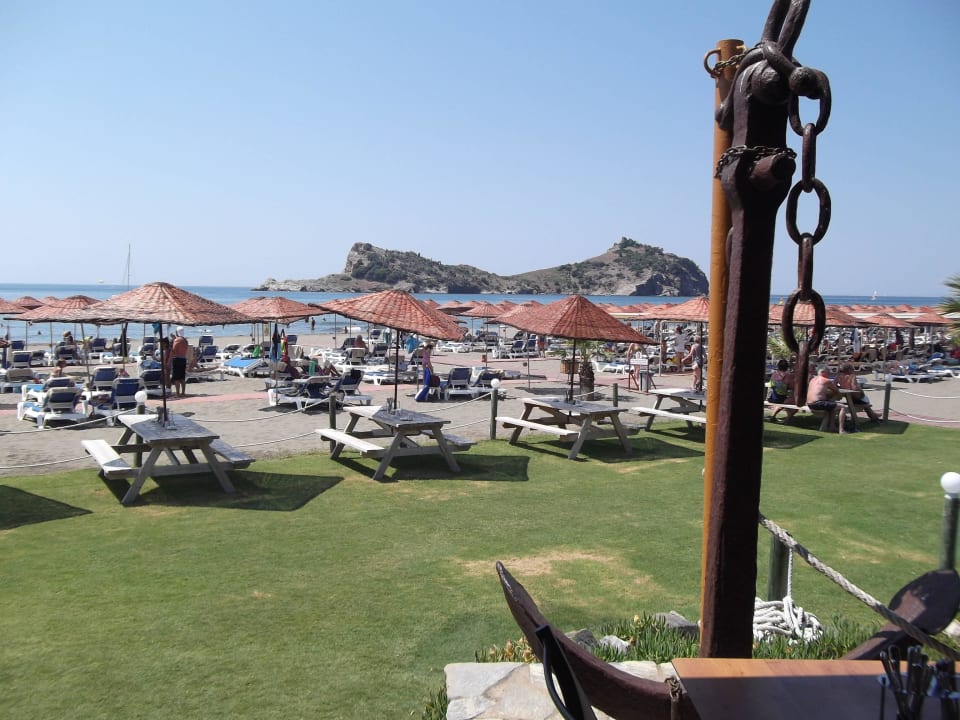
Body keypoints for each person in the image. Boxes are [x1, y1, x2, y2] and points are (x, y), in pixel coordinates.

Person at [806, 365, 848, 433]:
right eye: (828, 372)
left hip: (810, 404)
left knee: (832, 406)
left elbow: (818, 392)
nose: (829, 374)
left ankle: (832, 427)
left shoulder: (812, 380)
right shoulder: (826, 380)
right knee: (843, 407)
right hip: (818, 404)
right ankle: (841, 430)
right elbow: (836, 390)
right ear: (823, 372)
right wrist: (839, 396)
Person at [767, 359, 796, 423]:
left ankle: (773, 417)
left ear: (778, 366)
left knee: (785, 401)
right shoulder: (788, 376)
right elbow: (792, 387)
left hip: (771, 398)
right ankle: (787, 420)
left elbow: (770, 385)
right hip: (780, 398)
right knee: (795, 403)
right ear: (787, 367)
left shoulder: (774, 374)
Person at [169, 327, 190, 398]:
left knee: (176, 378)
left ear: (177, 332)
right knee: (182, 378)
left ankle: (177, 393)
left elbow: (174, 350)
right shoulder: (185, 340)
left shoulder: (177, 340)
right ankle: (183, 393)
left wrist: (169, 360)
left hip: (177, 359)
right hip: (183, 359)